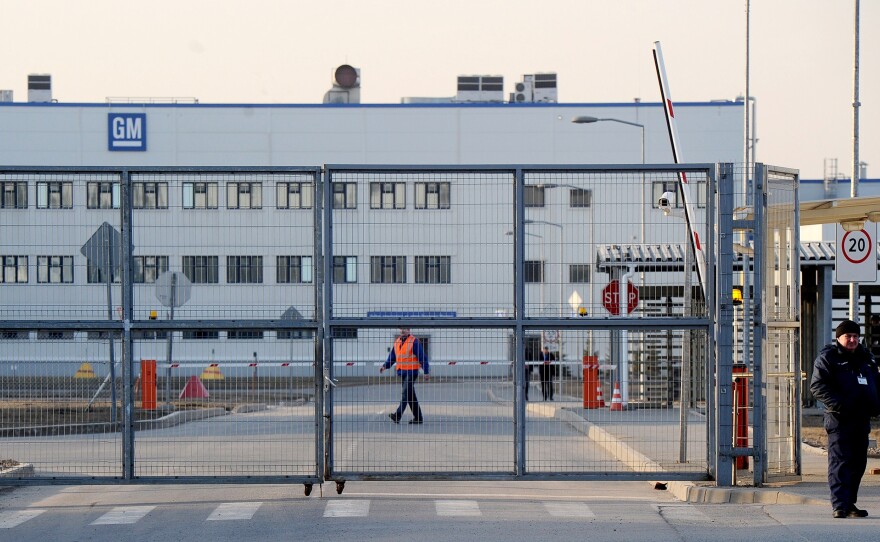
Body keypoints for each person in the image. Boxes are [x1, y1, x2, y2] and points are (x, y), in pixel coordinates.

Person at [810, 319, 880, 519]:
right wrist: (838, 404)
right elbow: (817, 386)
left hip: (861, 419)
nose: (852, 340)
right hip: (839, 420)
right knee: (840, 462)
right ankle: (839, 505)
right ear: (839, 338)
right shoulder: (829, 358)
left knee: (858, 463)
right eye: (848, 336)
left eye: (855, 336)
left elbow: (876, 383)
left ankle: (850, 503)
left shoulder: (866, 358)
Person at [381, 328, 430, 424]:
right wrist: (385, 366)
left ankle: (397, 415)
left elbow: (422, 357)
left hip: (412, 372)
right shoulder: (397, 341)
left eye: (405, 329)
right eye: (401, 329)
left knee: (405, 394)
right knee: (411, 396)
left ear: (409, 330)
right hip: (402, 372)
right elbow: (392, 357)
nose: (402, 331)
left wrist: (426, 371)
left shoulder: (414, 341)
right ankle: (418, 418)